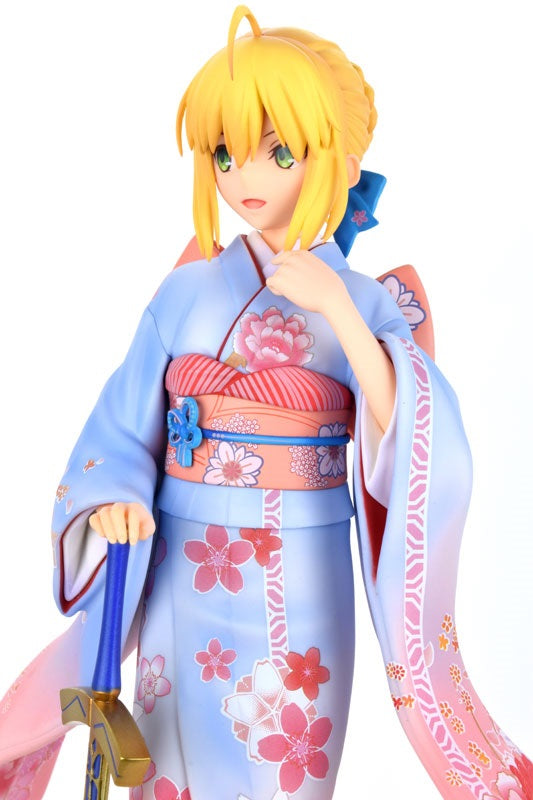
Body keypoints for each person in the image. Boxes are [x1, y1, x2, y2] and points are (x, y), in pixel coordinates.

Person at [0, 5, 531, 800]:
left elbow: (419, 440)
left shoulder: (363, 301)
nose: (244, 177)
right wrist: (115, 501)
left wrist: (341, 312)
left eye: (277, 152)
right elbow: (120, 428)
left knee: (285, 766)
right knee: (168, 770)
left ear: (342, 162)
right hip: (182, 570)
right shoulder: (183, 295)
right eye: (225, 151)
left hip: (301, 576)